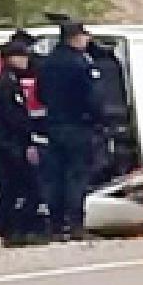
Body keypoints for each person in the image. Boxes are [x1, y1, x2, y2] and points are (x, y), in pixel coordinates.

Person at [38, 21, 103, 241]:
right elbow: (92, 98)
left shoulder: (47, 64)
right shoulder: (80, 63)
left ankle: (56, 226)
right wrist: (98, 120)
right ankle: (75, 225)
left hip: (54, 127)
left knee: (56, 178)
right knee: (77, 176)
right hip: (78, 126)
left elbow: (40, 96)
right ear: (75, 38)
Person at [0, 40, 46, 246]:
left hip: (10, 143)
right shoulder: (6, 85)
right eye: (21, 57)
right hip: (11, 145)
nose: (26, 61)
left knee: (13, 189)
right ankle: (15, 231)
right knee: (23, 188)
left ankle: (11, 230)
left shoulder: (9, 80)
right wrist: (29, 140)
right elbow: (15, 118)